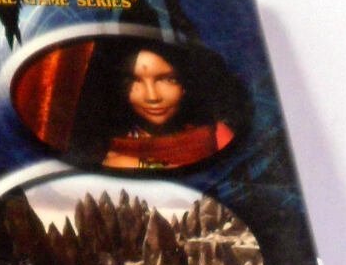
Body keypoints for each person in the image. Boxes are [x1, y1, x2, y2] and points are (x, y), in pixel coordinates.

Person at [80, 40, 237, 171]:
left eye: (167, 79)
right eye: (134, 81)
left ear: (185, 84)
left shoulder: (214, 134)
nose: (152, 97)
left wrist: (136, 164)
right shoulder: (104, 143)